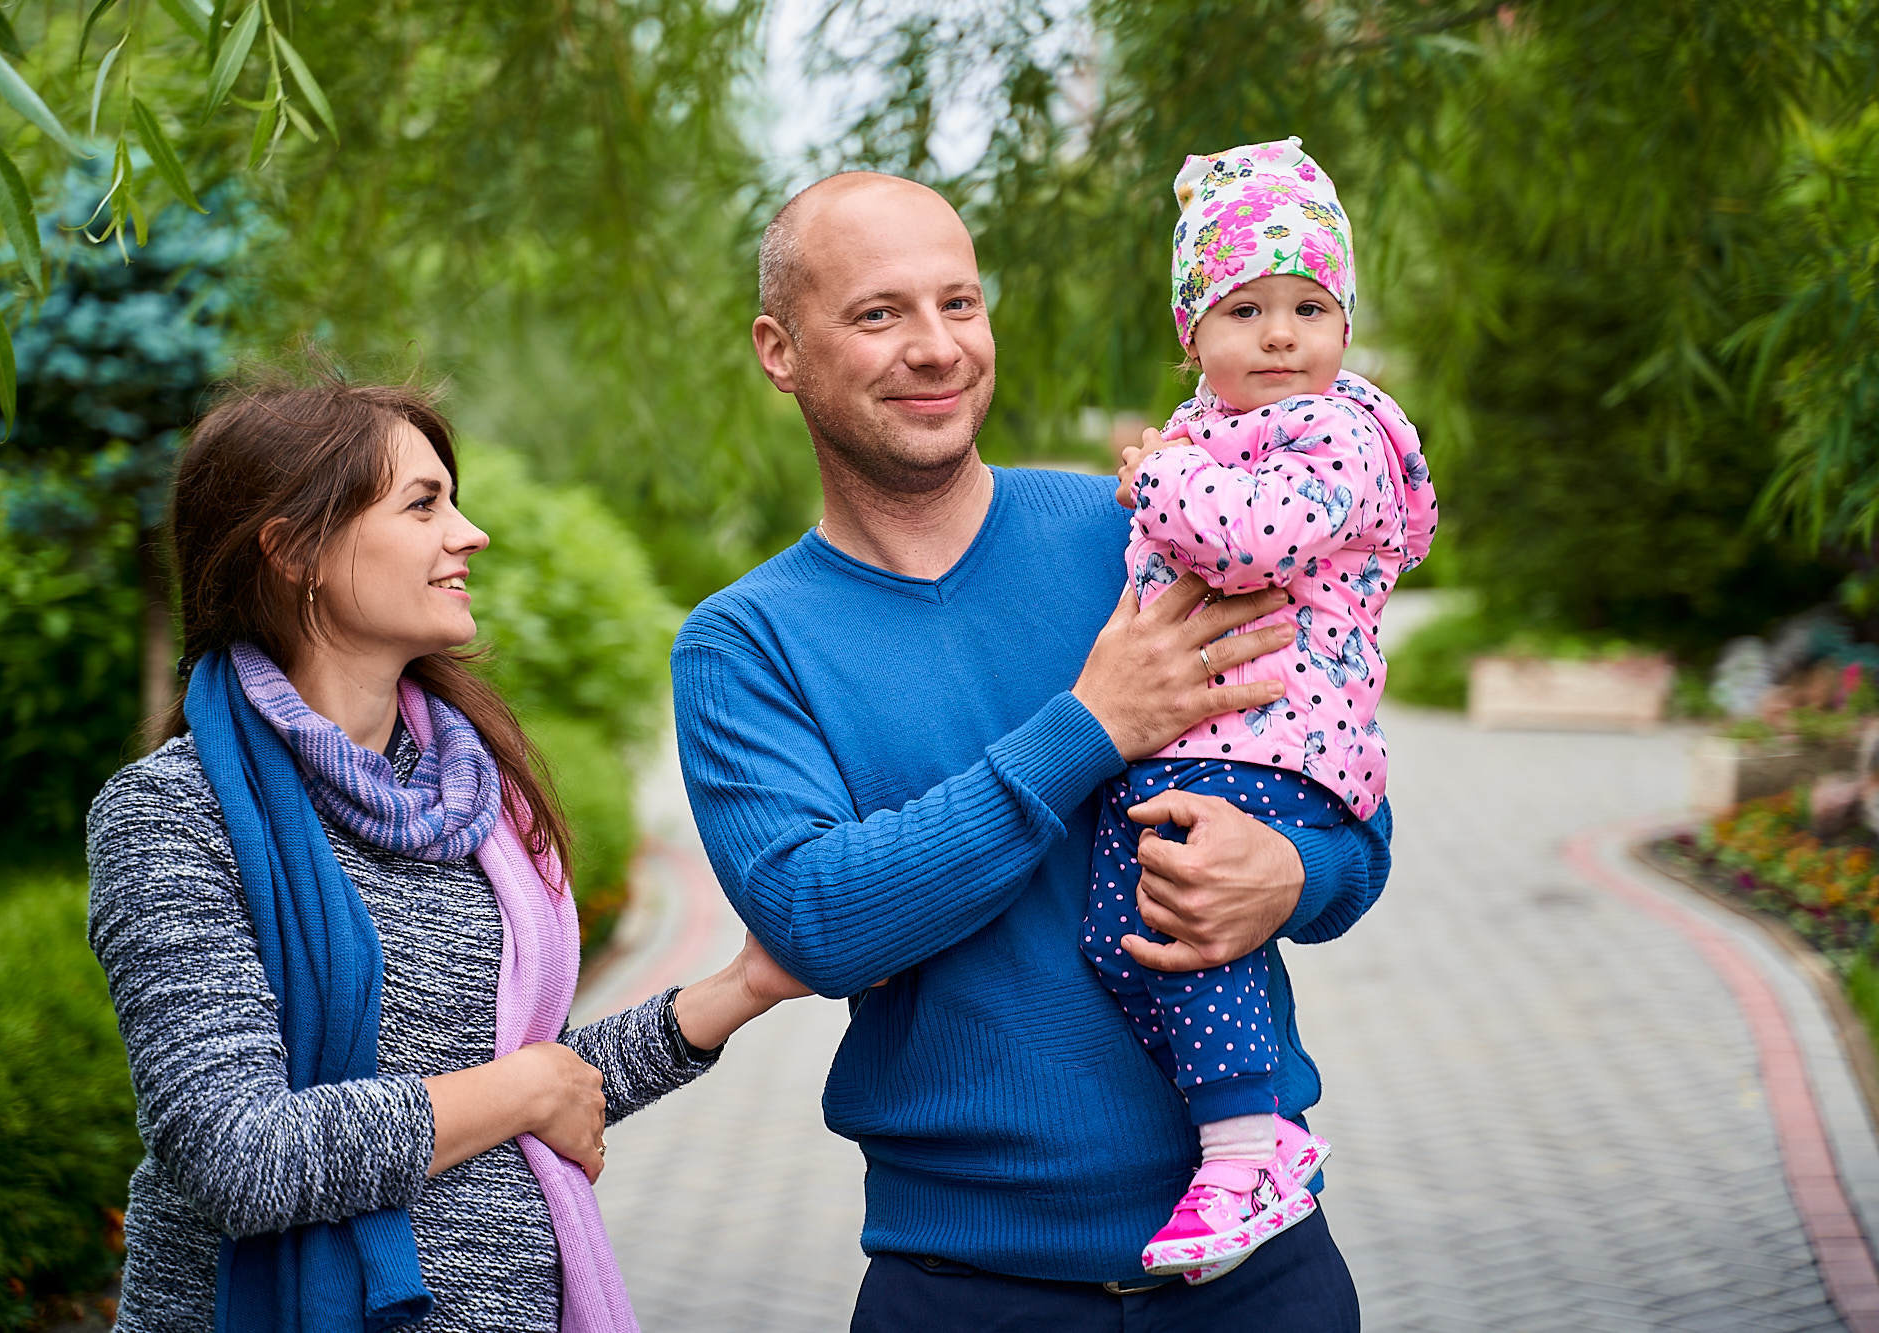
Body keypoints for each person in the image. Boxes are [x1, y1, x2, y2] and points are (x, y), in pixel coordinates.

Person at [670, 169, 1393, 1330]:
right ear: (778, 348)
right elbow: (817, 921)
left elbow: (1344, 802)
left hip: (1258, 1273)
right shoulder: (745, 645)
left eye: (959, 304)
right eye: (877, 313)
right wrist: (1090, 728)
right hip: (966, 1286)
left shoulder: (1144, 534)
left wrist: (1295, 873)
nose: (934, 347)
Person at [84, 366, 810, 1333]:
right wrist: (522, 1088)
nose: (470, 534)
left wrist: (740, 988)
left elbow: (535, 1084)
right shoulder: (174, 814)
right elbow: (238, 1156)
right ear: (294, 550)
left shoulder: (473, 798)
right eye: (424, 505)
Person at [1092, 137, 1437, 1284]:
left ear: (1343, 322)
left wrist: (1155, 481)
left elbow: (1255, 536)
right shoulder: (1212, 430)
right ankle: (1242, 1114)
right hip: (1206, 735)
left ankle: (1250, 1145)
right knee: (1121, 936)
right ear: (1192, 331)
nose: (1279, 333)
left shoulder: (1333, 431)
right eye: (1242, 308)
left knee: (1187, 929)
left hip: (1270, 740)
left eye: (1307, 305)